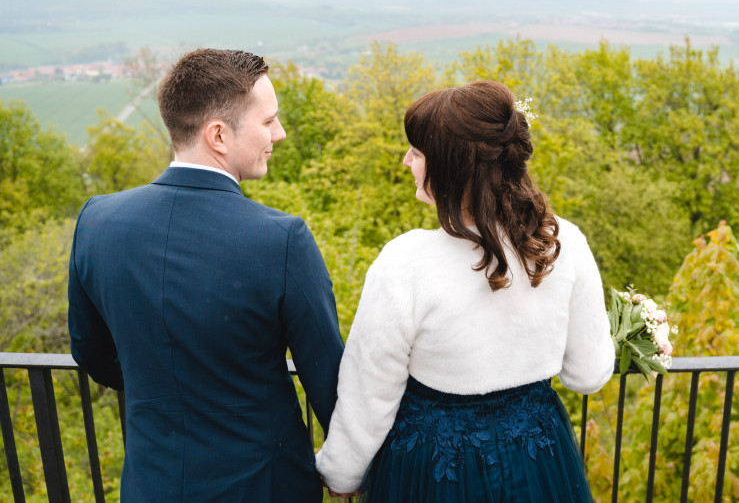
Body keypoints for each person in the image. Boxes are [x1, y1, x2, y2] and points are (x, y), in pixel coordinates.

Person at [68, 48, 345, 502]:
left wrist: (164, 387)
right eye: (268, 121)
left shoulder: (98, 221)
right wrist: (350, 469)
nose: (281, 132)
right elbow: (327, 379)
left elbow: (91, 351)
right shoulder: (280, 239)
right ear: (218, 135)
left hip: (150, 483)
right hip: (264, 486)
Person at [316, 80, 615, 501]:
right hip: (538, 463)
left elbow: (370, 394)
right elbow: (587, 375)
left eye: (417, 153)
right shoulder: (562, 244)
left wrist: (340, 474)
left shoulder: (405, 263)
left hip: (434, 474)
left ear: (450, 166)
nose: (406, 161)